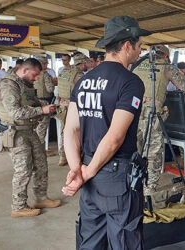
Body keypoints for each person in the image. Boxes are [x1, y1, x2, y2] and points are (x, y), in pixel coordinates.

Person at [61, 16, 150, 249]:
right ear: (127, 45)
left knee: (91, 240)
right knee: (124, 241)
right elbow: (115, 137)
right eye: (139, 46)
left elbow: (70, 129)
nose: (140, 52)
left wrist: (76, 170)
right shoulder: (130, 82)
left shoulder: (84, 81)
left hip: (90, 177)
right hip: (116, 177)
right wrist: (87, 172)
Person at [0, 58, 60, 217]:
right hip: (15, 132)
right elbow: (15, 112)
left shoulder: (24, 85)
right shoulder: (8, 85)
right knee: (23, 170)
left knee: (41, 164)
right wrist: (41, 111)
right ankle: (18, 207)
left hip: (29, 130)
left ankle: (41, 197)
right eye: (35, 74)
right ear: (25, 70)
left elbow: (32, 102)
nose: (36, 78)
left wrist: (48, 106)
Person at [132, 44, 185, 196]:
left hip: (133, 113)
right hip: (152, 115)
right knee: (153, 153)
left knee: (134, 149)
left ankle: (132, 181)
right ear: (165, 55)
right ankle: (149, 188)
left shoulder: (135, 65)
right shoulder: (166, 66)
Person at [56, 53, 87, 166]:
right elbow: (84, 90)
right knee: (75, 132)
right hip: (73, 107)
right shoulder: (78, 74)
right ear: (82, 63)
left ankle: (62, 156)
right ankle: (74, 157)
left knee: (64, 131)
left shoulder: (64, 72)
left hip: (63, 105)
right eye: (86, 63)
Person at [34, 57, 55, 145]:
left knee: (35, 127)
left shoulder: (33, 74)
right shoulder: (45, 74)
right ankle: (40, 149)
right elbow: (50, 89)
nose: (47, 65)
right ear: (42, 64)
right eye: (46, 63)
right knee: (42, 128)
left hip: (34, 102)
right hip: (44, 103)